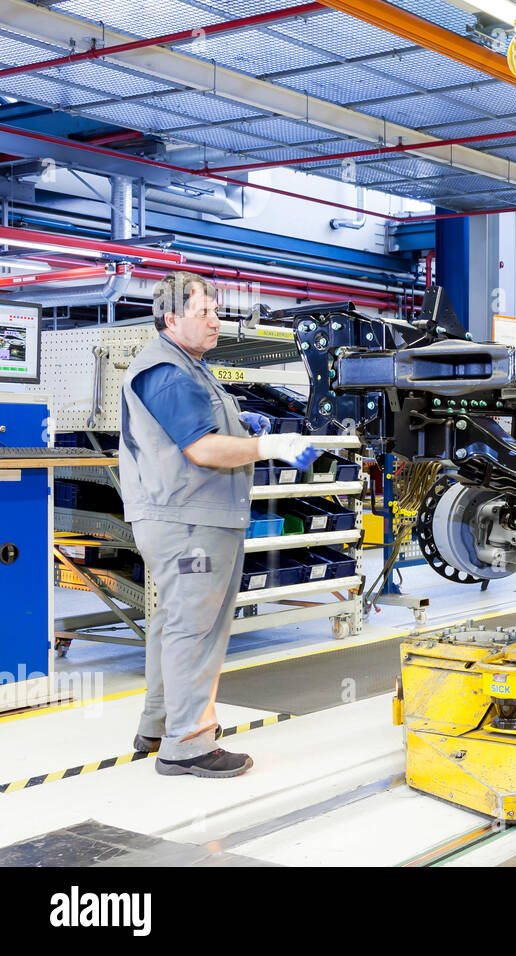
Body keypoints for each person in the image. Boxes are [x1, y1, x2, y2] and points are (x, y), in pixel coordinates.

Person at [120, 271, 321, 778]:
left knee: (173, 623)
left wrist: (244, 424)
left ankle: (160, 722)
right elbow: (202, 449)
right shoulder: (167, 371)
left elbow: (207, 429)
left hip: (188, 517)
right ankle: (188, 745)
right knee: (197, 627)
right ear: (171, 318)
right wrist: (269, 446)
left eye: (215, 311)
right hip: (188, 521)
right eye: (203, 312)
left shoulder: (189, 366)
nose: (216, 320)